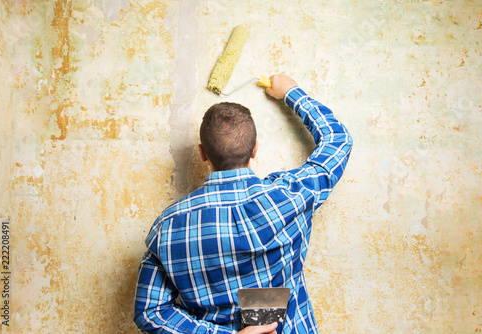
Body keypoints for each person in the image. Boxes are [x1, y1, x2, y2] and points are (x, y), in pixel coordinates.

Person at [134, 73, 353, 334]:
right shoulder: (288, 196)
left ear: (203, 153)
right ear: (255, 149)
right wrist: (290, 92)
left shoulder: (167, 227)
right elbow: (338, 141)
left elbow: (150, 313)